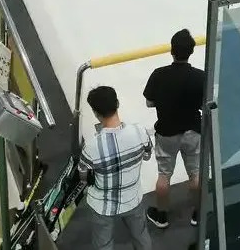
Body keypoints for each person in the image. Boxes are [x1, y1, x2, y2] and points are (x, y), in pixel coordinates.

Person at [143, 29, 205, 229]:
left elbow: (149, 102)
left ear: (172, 50)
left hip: (167, 132)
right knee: (196, 174)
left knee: (164, 175)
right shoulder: (200, 77)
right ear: (192, 51)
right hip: (193, 131)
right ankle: (198, 213)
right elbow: (204, 104)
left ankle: (162, 216)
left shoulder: (159, 74)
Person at [78, 86, 153, 250]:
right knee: (141, 237)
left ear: (95, 113)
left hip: (102, 206)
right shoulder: (140, 132)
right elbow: (147, 155)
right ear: (117, 103)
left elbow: (83, 176)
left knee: (103, 245)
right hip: (133, 199)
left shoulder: (91, 146)